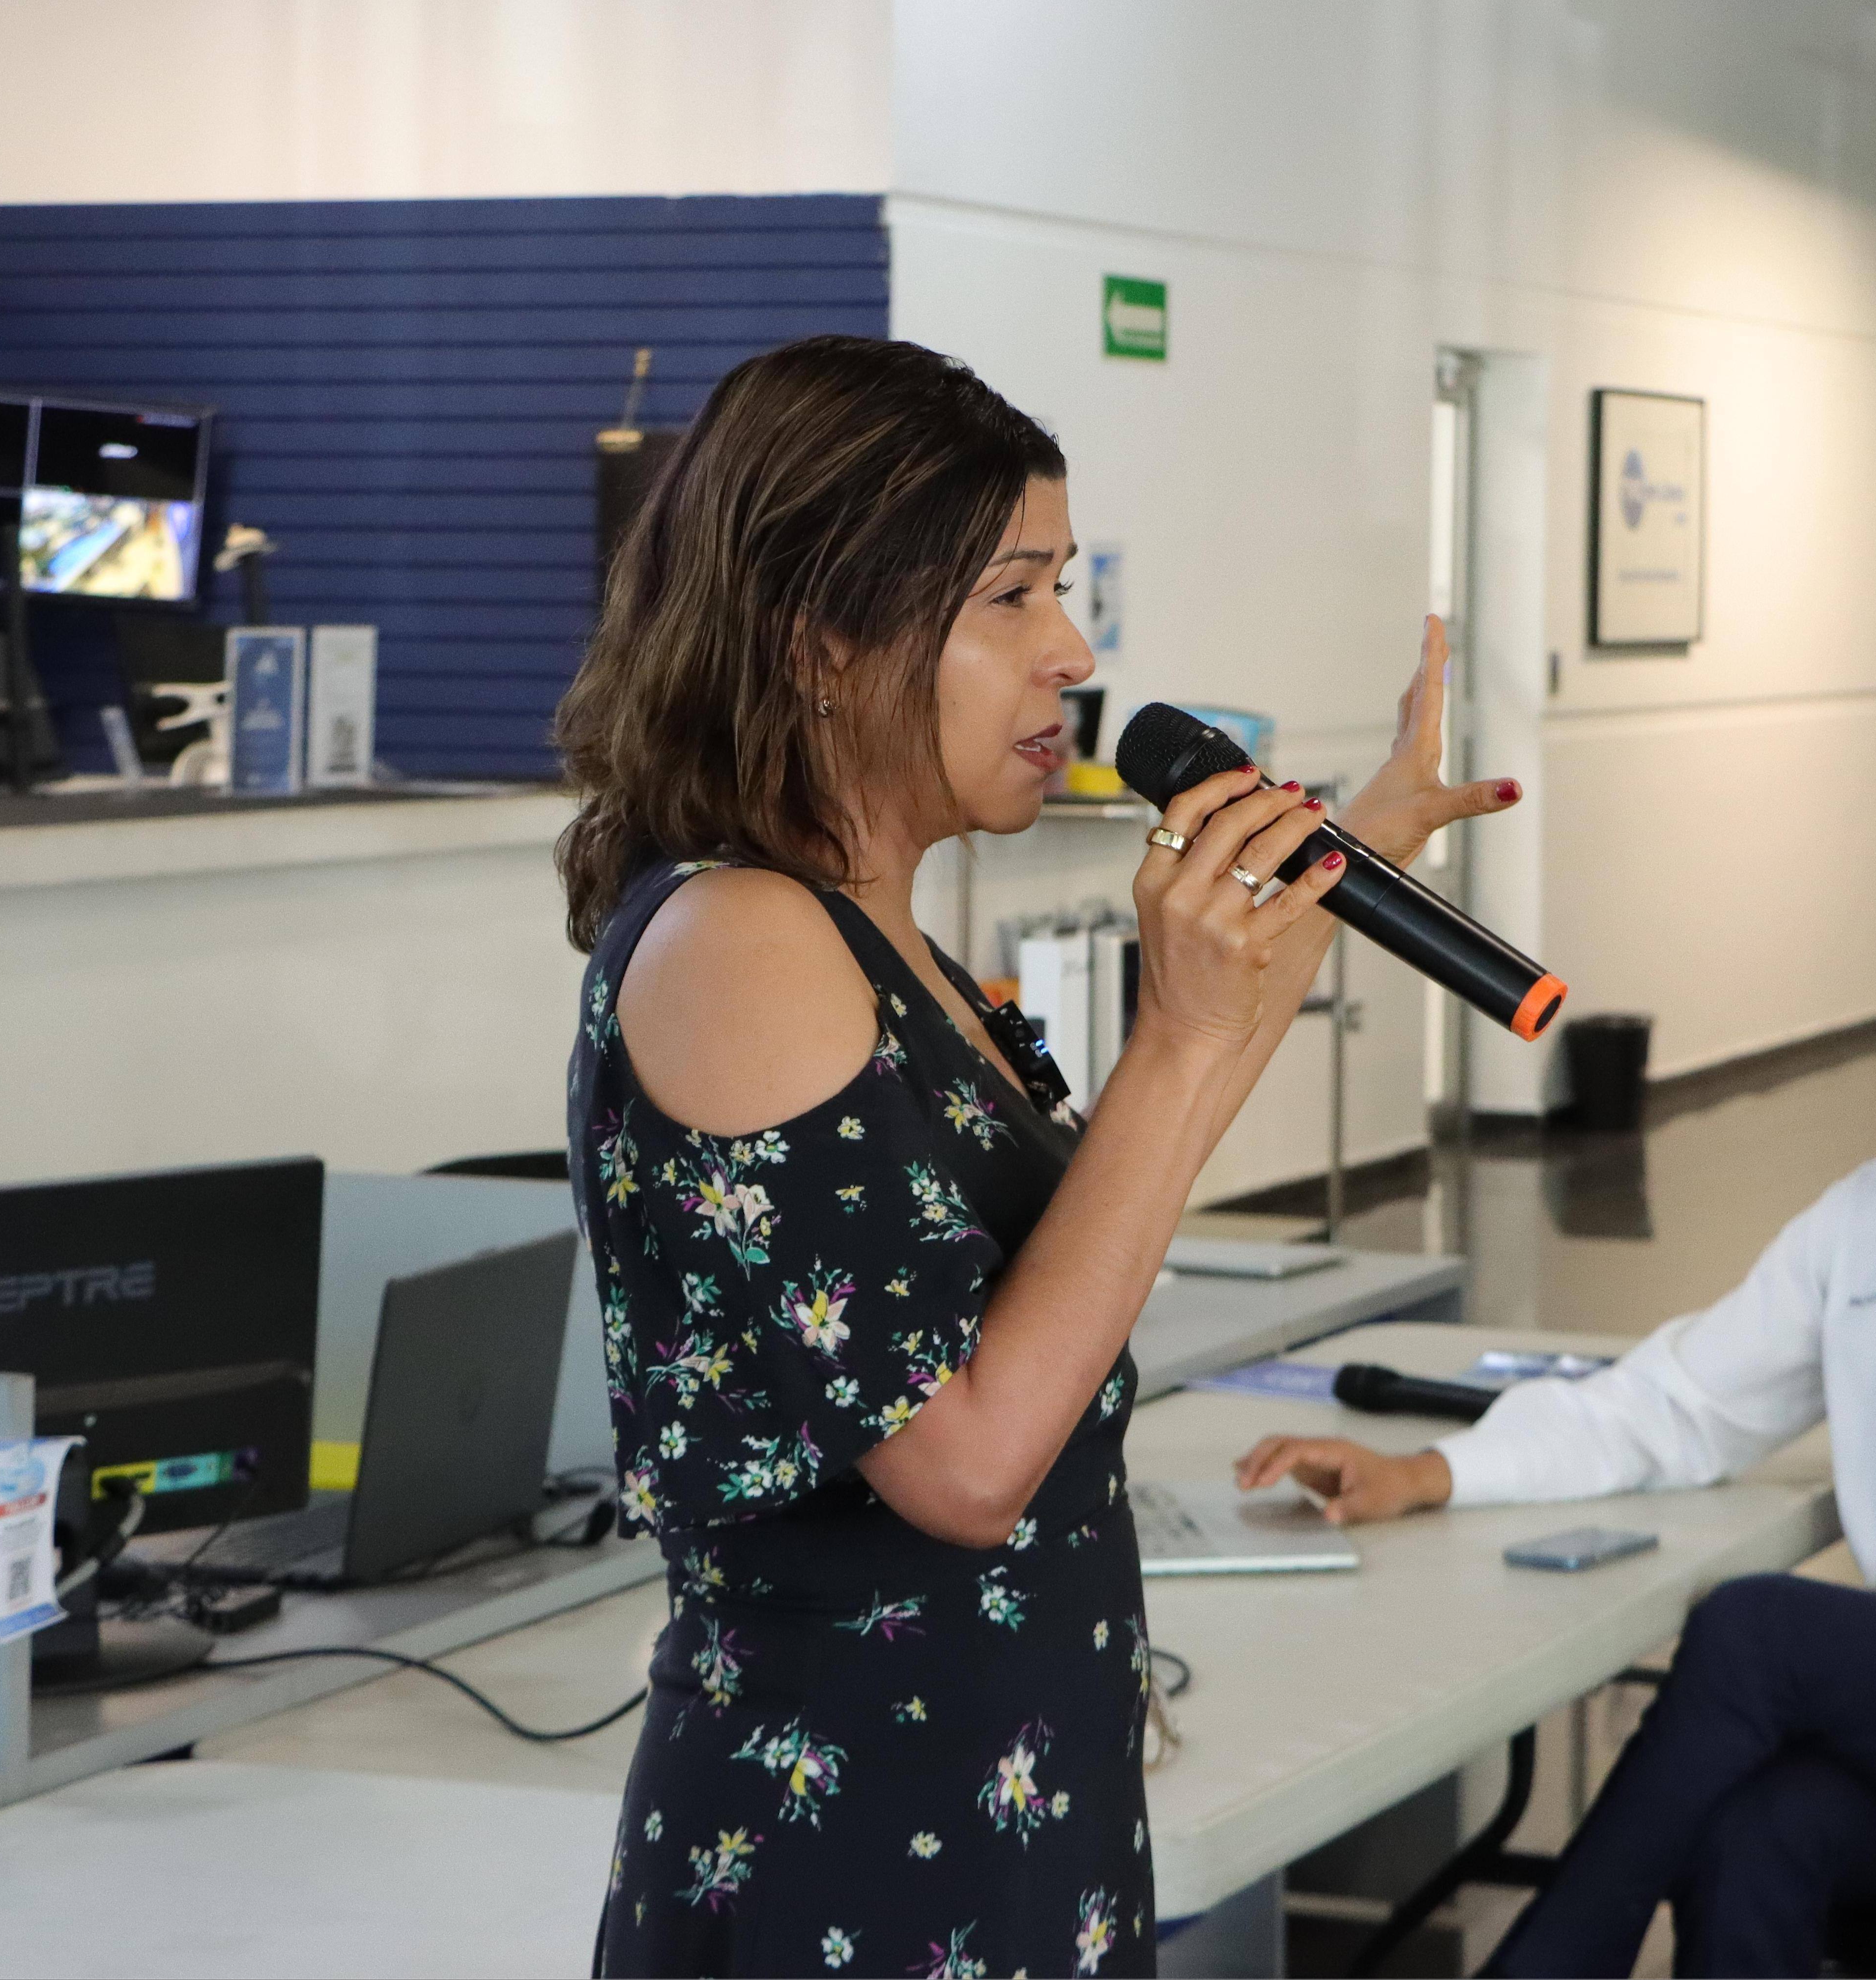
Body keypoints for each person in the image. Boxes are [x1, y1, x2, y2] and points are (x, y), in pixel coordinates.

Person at [552, 334, 1519, 1979]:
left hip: (994, 1818)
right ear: (823, 644)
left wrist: (1323, 870)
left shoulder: (877, 937)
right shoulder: (742, 942)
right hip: (848, 1855)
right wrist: (1174, 1036)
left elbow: (1103, 1211)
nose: (1069, 649)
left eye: (1056, 588)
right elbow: (964, 1457)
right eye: (1008, 597)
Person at [1237, 836, 1876, 1978]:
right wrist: (1430, 1473)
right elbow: (1676, 1400)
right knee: (1752, 1837)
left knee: (1762, 1627)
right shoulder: (1870, 1218)